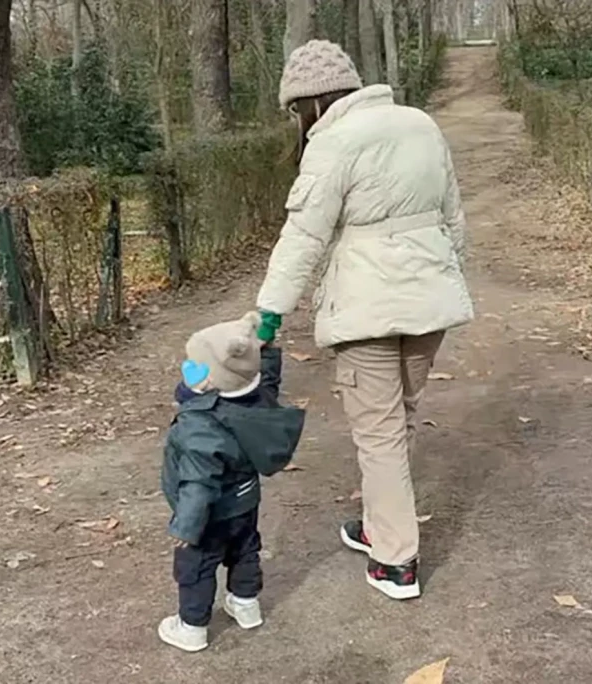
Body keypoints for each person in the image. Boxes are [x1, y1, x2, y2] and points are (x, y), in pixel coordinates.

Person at [256, 40, 473, 601]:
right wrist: (447, 278)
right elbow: (453, 218)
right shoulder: (420, 123)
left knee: (378, 435)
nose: (297, 123)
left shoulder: (332, 142)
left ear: (311, 103)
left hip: (366, 310)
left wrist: (269, 313)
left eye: (296, 112)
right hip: (429, 305)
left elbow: (303, 237)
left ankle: (396, 561)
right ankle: (380, 526)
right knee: (395, 421)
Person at [158, 312, 306, 652]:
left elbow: (198, 483)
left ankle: (192, 626)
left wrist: (186, 528)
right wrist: (265, 349)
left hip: (210, 514)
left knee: (196, 565)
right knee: (245, 550)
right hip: (245, 500)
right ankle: (246, 604)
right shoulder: (257, 400)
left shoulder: (200, 426)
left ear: (208, 382)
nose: (187, 368)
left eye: (195, 365)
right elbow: (266, 377)